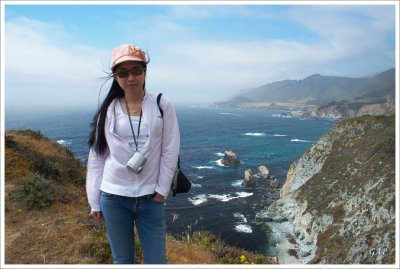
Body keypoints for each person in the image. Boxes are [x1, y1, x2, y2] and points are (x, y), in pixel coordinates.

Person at [86, 43, 180, 264]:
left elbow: (170, 150)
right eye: (123, 72)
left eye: (136, 70)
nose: (131, 78)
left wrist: (161, 192)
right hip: (113, 197)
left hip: (151, 199)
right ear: (115, 76)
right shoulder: (108, 110)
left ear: (145, 71)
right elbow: (97, 158)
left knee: (157, 261)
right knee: (122, 260)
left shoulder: (162, 104)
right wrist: (94, 201)